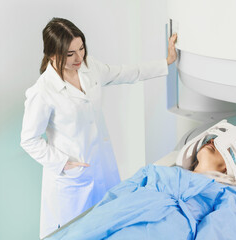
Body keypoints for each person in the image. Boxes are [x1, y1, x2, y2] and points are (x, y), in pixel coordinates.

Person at [20, 17, 178, 238]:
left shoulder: (90, 67)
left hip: (102, 165)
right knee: (76, 232)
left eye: (81, 48)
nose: (79, 57)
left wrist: (167, 62)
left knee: (109, 225)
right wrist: (64, 163)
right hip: (73, 178)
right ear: (53, 54)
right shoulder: (43, 91)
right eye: (70, 53)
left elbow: (126, 72)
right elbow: (29, 140)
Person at [45, 133, 236, 240]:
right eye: (210, 140)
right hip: (116, 215)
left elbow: (220, 231)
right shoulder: (157, 171)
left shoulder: (227, 192)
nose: (212, 142)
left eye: (222, 147)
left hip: (164, 226)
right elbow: (114, 198)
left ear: (228, 168)